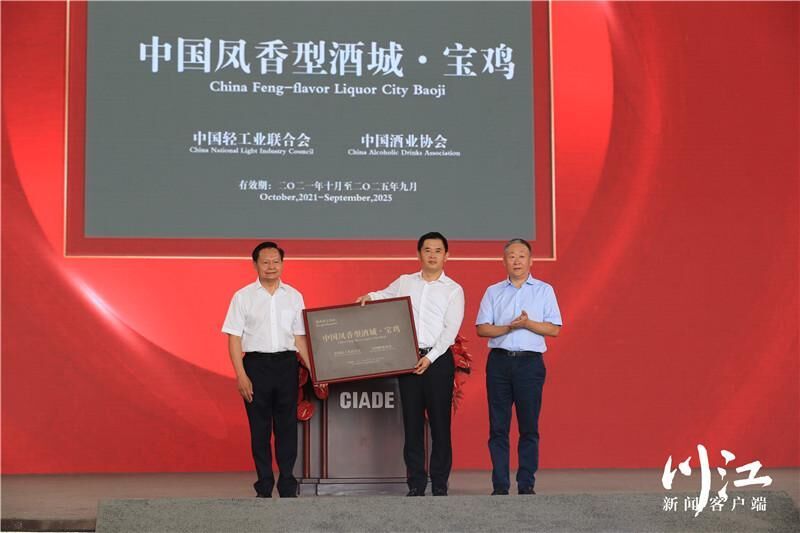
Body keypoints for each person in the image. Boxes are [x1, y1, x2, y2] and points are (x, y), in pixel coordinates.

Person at [356, 232, 464, 496]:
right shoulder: (405, 282)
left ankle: (440, 484)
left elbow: (450, 331)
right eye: (427, 250)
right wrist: (368, 296)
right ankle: (416, 483)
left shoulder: (453, 290)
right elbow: (383, 295)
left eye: (438, 251)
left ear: (446, 255)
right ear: (419, 254)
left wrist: (430, 357)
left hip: (438, 361)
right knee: (412, 425)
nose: (432, 255)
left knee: (440, 426)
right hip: (408, 359)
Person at [222, 241, 309, 498]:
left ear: (282, 264)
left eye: (276, 261)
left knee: (287, 428)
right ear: (255, 265)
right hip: (255, 366)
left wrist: (316, 370)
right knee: (259, 430)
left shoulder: (294, 296)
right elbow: (234, 338)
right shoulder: (243, 296)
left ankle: (288, 484)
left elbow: (299, 338)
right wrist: (241, 375)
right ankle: (264, 484)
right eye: (265, 262)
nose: (271, 266)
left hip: (287, 365)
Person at [475, 238, 562, 495]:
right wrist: (508, 328)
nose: (516, 261)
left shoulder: (544, 291)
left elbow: (554, 329)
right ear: (504, 261)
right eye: (511, 256)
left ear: (530, 261)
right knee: (498, 427)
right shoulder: (493, 291)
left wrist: (527, 324)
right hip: (499, 363)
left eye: (521, 256)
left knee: (529, 427)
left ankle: (526, 485)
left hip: (529, 364)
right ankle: (500, 486)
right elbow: (482, 328)